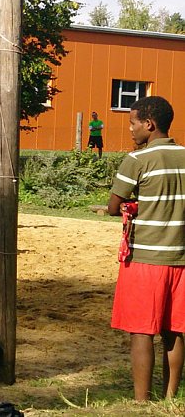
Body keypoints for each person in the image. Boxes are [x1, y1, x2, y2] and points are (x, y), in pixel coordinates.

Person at [107, 96, 185, 401]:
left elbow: (115, 206)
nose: (130, 129)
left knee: (142, 331)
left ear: (149, 124)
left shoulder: (137, 160)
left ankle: (142, 401)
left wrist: (135, 206)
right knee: (174, 330)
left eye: (133, 122)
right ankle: (170, 397)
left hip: (146, 259)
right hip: (181, 257)